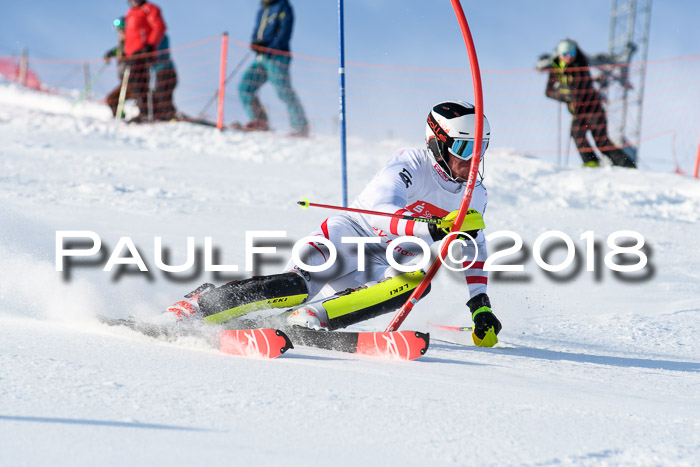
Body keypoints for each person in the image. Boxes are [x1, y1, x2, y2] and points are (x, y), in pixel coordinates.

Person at [158, 101, 502, 347]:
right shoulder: (409, 163)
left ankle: (310, 319)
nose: (471, 160)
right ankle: (200, 303)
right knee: (295, 287)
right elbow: (380, 212)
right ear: (437, 143)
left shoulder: (475, 194)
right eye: (462, 147)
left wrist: (480, 304)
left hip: (385, 261)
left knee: (417, 282)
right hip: (347, 236)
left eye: (479, 147)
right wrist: (433, 228)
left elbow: (474, 247)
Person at [544, 39, 636, 168]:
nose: (569, 57)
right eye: (565, 54)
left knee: (602, 142)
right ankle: (591, 162)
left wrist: (568, 92)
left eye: (571, 53)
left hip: (593, 109)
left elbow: (578, 90)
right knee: (577, 134)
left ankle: (627, 165)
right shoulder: (556, 67)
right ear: (559, 55)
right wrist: (564, 95)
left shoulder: (580, 63)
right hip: (578, 111)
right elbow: (548, 91)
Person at [237, 0, 309, 137]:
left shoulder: (282, 6)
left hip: (277, 56)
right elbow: (257, 31)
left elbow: (285, 31)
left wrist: (270, 48)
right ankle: (259, 121)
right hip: (261, 57)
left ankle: (301, 127)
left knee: (283, 91)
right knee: (245, 87)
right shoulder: (262, 10)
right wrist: (255, 43)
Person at [124, 0, 167, 122]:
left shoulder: (149, 8)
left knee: (139, 81)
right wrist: (126, 53)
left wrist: (150, 45)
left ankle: (148, 112)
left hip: (143, 51)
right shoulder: (130, 12)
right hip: (132, 54)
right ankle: (145, 111)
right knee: (134, 82)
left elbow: (159, 26)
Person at [104, 17, 132, 118]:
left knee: (113, 98)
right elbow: (118, 51)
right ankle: (120, 116)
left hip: (131, 78)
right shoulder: (121, 44)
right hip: (124, 77)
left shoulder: (131, 42)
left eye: (122, 30)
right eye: (118, 30)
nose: (120, 32)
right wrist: (110, 53)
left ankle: (145, 114)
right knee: (113, 99)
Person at [151, 33, 178, 121]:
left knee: (162, 94)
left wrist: (151, 59)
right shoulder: (153, 36)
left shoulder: (160, 36)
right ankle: (166, 114)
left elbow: (161, 54)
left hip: (165, 70)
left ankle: (168, 115)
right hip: (160, 71)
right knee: (160, 94)